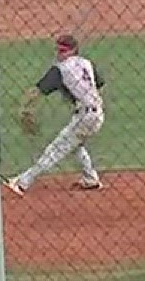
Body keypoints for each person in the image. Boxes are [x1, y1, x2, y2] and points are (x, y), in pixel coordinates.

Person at [6, 33, 106, 195]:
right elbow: (99, 85)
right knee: (75, 144)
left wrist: (25, 108)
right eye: (58, 50)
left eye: (63, 51)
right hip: (96, 113)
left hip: (85, 116)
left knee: (55, 150)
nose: (59, 54)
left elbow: (36, 91)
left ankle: (23, 182)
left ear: (73, 51)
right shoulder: (86, 63)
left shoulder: (61, 69)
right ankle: (90, 178)